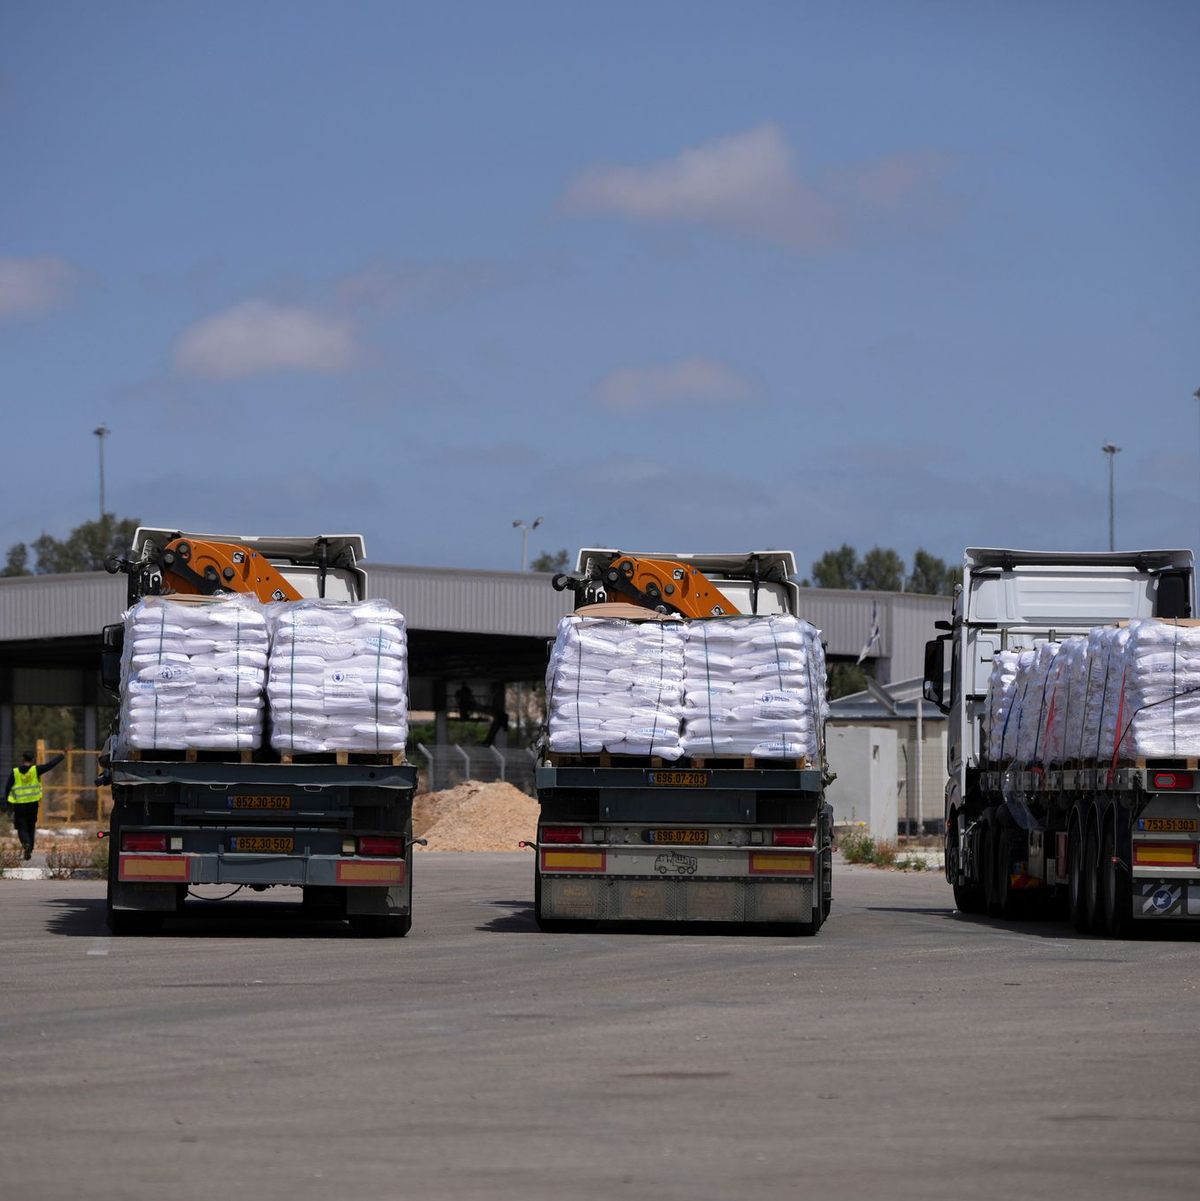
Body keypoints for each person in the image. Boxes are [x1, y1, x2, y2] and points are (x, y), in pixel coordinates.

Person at [4, 746, 70, 861]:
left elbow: (7, 789)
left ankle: (26, 844)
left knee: (21, 828)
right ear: (33, 759)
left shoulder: (15, 773)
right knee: (31, 827)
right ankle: (30, 847)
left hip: (19, 805)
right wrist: (62, 755)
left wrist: (7, 804)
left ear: (23, 759)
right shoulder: (36, 770)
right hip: (33, 805)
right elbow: (50, 765)